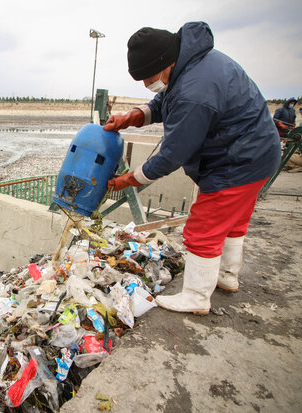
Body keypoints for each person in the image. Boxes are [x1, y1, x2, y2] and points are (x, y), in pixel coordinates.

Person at [103, 22, 281, 314]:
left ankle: (197, 297)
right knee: (233, 222)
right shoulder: (191, 63)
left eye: (149, 77)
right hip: (257, 154)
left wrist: (131, 178)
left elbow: (173, 154)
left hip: (238, 161)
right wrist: (132, 116)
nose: (148, 85)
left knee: (203, 228)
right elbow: (165, 101)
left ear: (163, 64)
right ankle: (227, 277)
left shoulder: (195, 90)